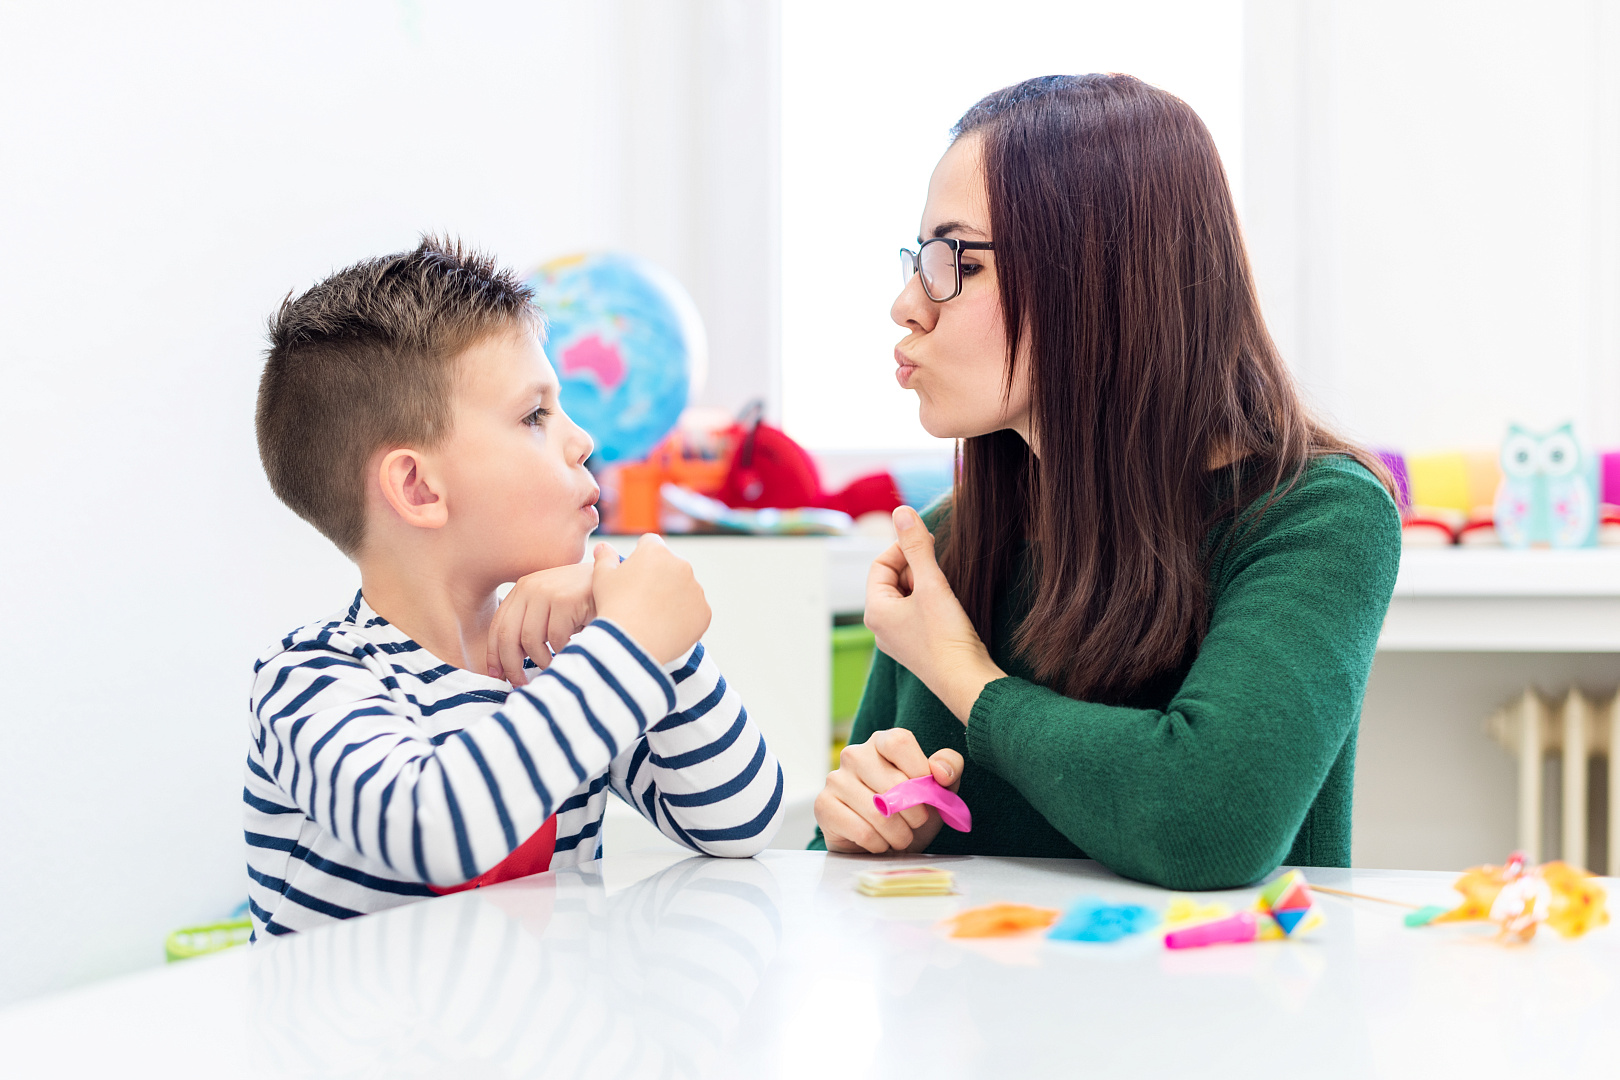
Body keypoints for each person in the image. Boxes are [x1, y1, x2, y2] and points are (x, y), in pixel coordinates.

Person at [811, 75, 1402, 890]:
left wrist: (961, 673)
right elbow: (838, 871)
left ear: (1095, 275)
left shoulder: (1316, 516)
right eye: (919, 259)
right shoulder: (947, 538)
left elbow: (1209, 822)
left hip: (1237, 1013)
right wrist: (859, 829)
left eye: (954, 261)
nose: (907, 305)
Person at [246, 237, 782, 938]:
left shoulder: (561, 663)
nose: (583, 439)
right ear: (418, 487)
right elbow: (430, 827)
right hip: (363, 1051)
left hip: (529, 1043)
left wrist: (665, 653)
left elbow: (739, 821)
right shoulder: (310, 680)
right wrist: (629, 645)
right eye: (536, 416)